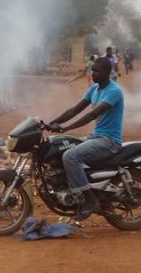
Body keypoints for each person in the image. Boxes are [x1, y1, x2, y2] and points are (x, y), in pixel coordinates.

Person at [48, 57, 124, 216]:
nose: (93, 73)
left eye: (96, 70)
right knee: (59, 149)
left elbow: (93, 115)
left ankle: (90, 199)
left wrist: (66, 128)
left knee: (70, 156)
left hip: (109, 141)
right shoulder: (94, 89)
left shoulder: (114, 91)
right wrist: (49, 123)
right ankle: (76, 191)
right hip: (95, 137)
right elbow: (73, 111)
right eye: (92, 70)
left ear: (106, 72)